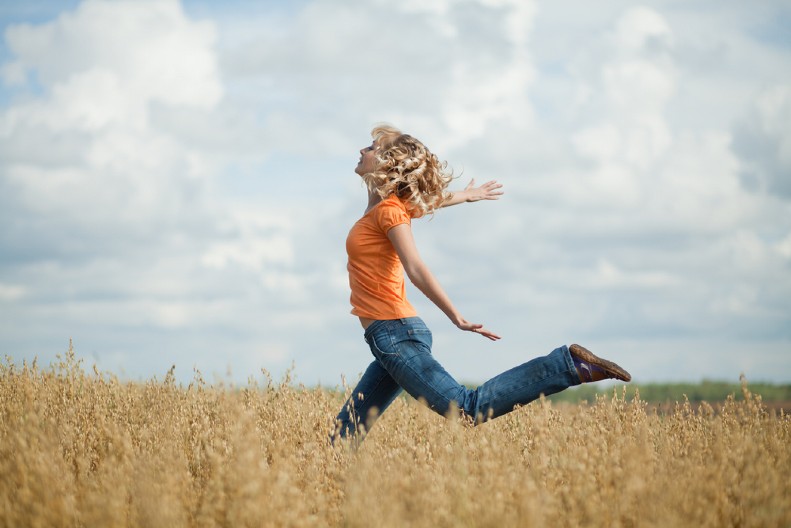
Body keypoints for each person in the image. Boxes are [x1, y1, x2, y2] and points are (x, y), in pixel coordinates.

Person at [332, 124, 630, 443]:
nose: (363, 151)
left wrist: (455, 316)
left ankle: (567, 365)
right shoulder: (386, 207)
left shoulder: (390, 212)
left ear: (389, 163)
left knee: (467, 409)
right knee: (348, 426)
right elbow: (430, 201)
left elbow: (415, 267)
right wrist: (468, 195)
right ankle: (338, 487)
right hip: (388, 335)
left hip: (394, 333)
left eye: (372, 148)